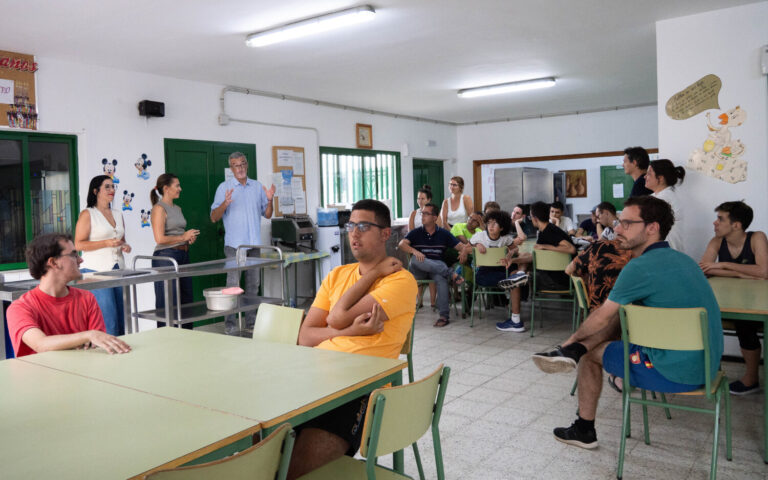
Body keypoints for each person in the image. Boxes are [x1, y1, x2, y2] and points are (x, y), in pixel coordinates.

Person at [531, 196, 723, 449]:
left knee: (592, 353)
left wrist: (570, 339)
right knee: (623, 314)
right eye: (620, 222)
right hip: (708, 368)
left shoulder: (639, 267)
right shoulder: (686, 260)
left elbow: (601, 315)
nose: (618, 229)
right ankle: (573, 351)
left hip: (670, 372)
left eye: (627, 223)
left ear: (652, 228)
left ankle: (584, 428)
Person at [289, 199, 417, 480]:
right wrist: (349, 333)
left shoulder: (400, 280)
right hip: (313, 379)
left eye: (363, 226)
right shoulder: (337, 275)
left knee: (296, 470)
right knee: (258, 449)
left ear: (385, 234)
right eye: (350, 226)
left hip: (358, 391)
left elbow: (336, 317)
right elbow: (305, 336)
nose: (353, 234)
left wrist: (375, 273)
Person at [6, 233, 131, 357]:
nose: (80, 260)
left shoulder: (87, 299)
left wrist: (89, 337)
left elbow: (96, 347)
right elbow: (40, 344)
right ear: (54, 262)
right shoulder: (19, 308)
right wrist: (88, 335)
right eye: (74, 255)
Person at [700, 201, 768, 395]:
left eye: (720, 219)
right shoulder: (716, 241)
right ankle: (711, 372)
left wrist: (722, 266)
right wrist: (743, 273)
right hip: (727, 300)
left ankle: (752, 378)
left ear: (736, 225)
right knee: (704, 318)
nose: (715, 223)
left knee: (744, 324)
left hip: (756, 302)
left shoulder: (757, 238)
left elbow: (764, 271)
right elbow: (704, 270)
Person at [210, 152, 276, 335]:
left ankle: (251, 323)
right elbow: (214, 217)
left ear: (247, 165)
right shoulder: (224, 187)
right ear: (231, 169)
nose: (239, 168)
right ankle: (230, 323)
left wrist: (270, 200)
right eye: (235, 165)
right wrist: (225, 203)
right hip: (234, 246)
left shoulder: (257, 187)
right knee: (232, 285)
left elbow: (268, 214)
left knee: (253, 285)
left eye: (242, 164)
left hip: (254, 245)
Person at [74, 175, 131, 336]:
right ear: (95, 191)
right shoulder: (88, 214)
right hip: (95, 272)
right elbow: (78, 244)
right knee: (108, 321)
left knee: (122, 319)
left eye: (113, 187)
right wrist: (105, 243)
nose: (112, 190)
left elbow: (122, 240)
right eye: (107, 187)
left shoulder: (118, 213)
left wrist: (125, 246)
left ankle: (122, 355)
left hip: (118, 270)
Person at [399, 203, 467, 327]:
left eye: (426, 213)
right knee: (414, 260)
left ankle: (444, 316)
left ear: (435, 217)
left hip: (437, 267)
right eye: (422, 213)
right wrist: (414, 251)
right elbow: (401, 244)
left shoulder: (443, 234)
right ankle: (451, 273)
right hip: (420, 268)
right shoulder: (416, 232)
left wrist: (463, 252)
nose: (422, 216)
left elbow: (462, 247)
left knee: (441, 278)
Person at [150, 173, 200, 329]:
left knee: (186, 301)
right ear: (166, 188)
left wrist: (187, 238)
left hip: (183, 254)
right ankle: (166, 341)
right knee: (167, 303)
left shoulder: (177, 208)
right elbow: (159, 238)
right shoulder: (159, 208)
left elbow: (178, 234)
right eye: (177, 185)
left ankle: (186, 337)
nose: (180, 188)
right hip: (166, 257)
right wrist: (182, 237)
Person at [469, 210, 528, 332]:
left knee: (514, 277)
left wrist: (511, 251)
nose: (491, 226)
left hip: (503, 270)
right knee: (514, 280)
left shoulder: (506, 239)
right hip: (484, 274)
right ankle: (516, 320)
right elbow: (465, 248)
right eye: (489, 222)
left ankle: (516, 320)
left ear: (502, 227)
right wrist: (475, 246)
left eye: (495, 224)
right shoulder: (479, 236)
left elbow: (515, 249)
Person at [565, 236, 632, 312]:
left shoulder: (599, 247)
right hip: (637, 318)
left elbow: (568, 270)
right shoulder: (642, 255)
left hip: (599, 314)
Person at [645, 159, 685, 252]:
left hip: (667, 252)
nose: (645, 177)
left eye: (649, 174)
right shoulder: (656, 196)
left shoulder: (665, 197)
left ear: (661, 178)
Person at [409, 185, 438, 308]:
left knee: (432, 270)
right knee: (417, 272)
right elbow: (411, 231)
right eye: (418, 198)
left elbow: (438, 229)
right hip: (417, 247)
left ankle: (433, 302)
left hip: (431, 247)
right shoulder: (414, 213)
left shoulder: (435, 214)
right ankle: (419, 301)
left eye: (422, 199)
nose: (420, 201)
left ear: (428, 200)